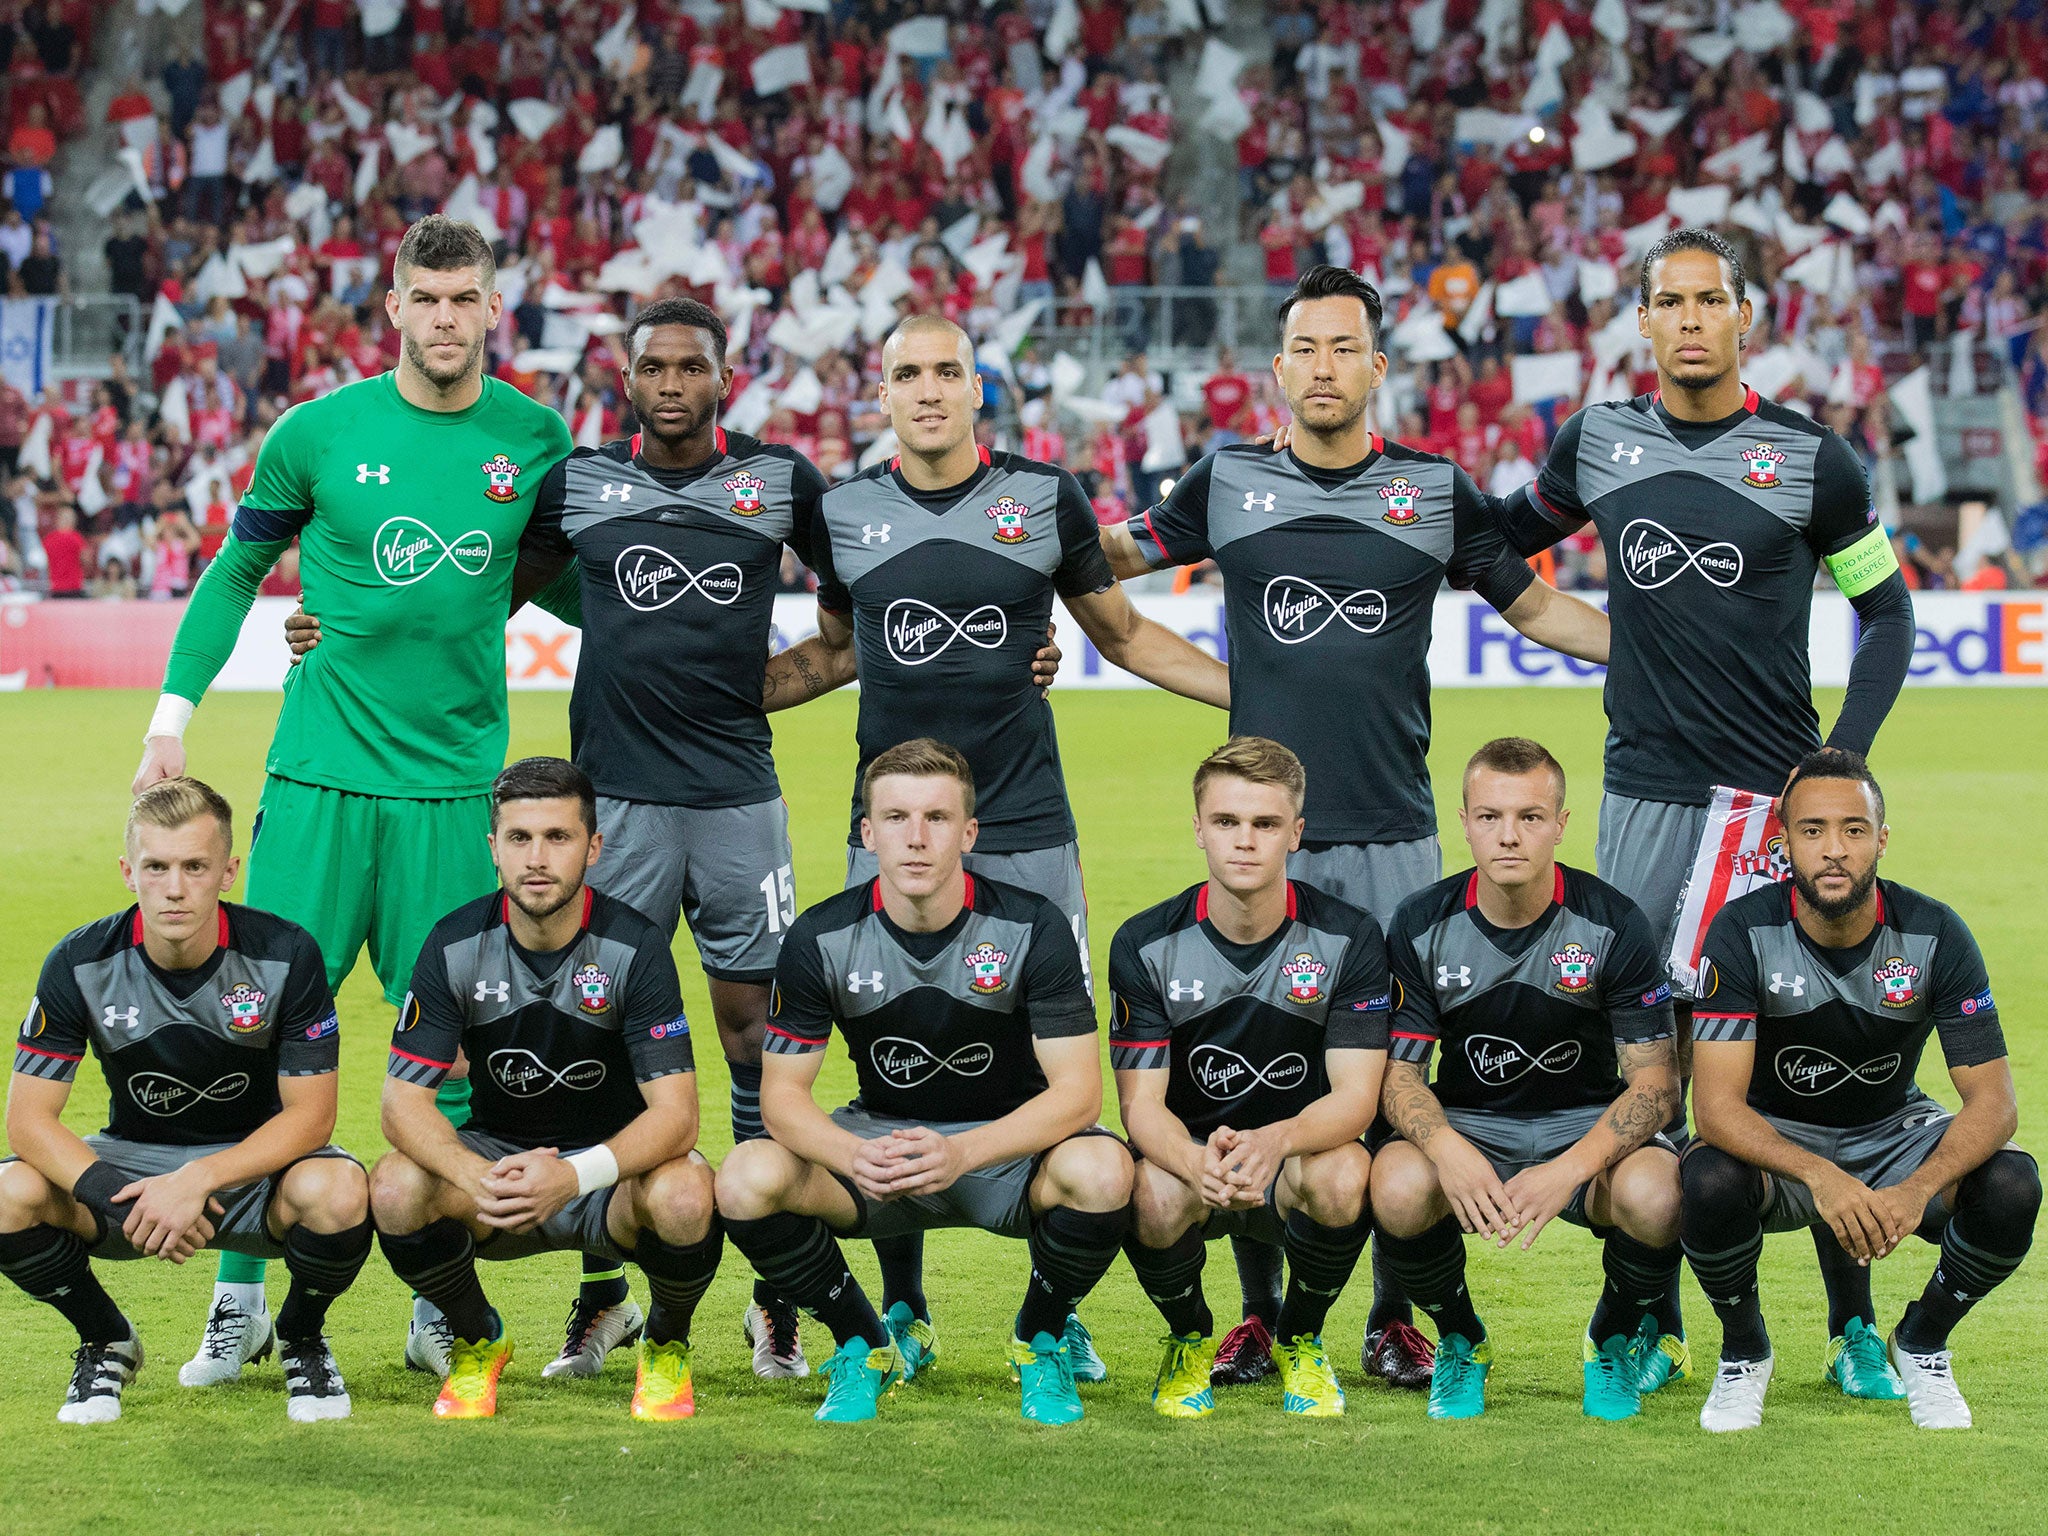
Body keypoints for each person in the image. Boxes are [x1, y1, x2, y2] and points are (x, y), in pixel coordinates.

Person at [1103, 264, 1609, 1391]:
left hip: (1390, 839)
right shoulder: (1225, 479)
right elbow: (1098, 573)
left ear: (1376, 367)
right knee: (1242, 1075)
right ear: (1275, 369)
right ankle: (1254, 1316)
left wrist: (1663, 659)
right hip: (1265, 836)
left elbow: (1533, 610)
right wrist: (1214, 692)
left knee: (1382, 1087)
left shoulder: (1432, 490)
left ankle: (1389, 1317)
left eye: (1344, 348)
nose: (1323, 367)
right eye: (1304, 348)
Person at [126, 215, 609, 1387]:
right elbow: (236, 570)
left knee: (443, 1062)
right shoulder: (317, 433)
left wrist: (706, 652)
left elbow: (579, 592)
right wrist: (170, 721)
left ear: (498, 309)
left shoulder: (537, 441)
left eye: (465, 299)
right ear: (391, 306)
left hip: (454, 798)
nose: (445, 319)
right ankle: (238, 1299)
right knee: (253, 1038)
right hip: (320, 782)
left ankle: (438, 1297)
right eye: (425, 298)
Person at [1492, 228, 1917, 1393]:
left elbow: (1887, 615)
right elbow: (1490, 542)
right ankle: (1647, 1315)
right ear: (1641, 321)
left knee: (1799, 1060)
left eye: (1707, 300)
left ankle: (1853, 1328)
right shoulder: (1597, 442)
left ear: (1745, 317)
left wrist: (1840, 760)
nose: (1687, 318)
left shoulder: (1812, 461)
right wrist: (1581, 631)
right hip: (1642, 800)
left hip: (1769, 811)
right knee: (1651, 1065)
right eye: (1666, 300)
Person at [799, 314, 1228, 1381]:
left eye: (948, 372)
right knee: (887, 1064)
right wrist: (700, 702)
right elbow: (834, 651)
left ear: (977, 389)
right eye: (907, 374)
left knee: (1045, 1056)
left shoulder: (1043, 497)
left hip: (1028, 827)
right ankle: (903, 1305)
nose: (928, 390)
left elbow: (1122, 634)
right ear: (882, 394)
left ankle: (1053, 1308)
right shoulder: (843, 512)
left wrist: (1259, 696)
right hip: (886, 829)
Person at [716, 740, 1132, 1425]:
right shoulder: (821, 937)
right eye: (898, 818)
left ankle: (1042, 1336)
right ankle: (863, 1342)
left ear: (968, 832)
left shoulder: (1033, 926)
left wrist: (964, 1154)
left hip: (1005, 1155)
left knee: (1105, 1168)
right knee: (744, 1177)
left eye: (937, 818)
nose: (917, 838)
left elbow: (1079, 1093)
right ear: (867, 832)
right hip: (880, 1150)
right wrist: (854, 1156)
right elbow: (781, 1098)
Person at [1683, 749, 2037, 1433]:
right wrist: (1821, 1175)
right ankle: (1745, 1352)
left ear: (1881, 839)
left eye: (1852, 829)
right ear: (1783, 840)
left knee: (2013, 1184)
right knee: (1705, 1180)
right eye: (1812, 830)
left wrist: (1912, 1189)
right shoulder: (1740, 932)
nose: (1833, 850)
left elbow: (1995, 1104)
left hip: (1893, 1134)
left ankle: (1923, 1341)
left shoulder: (1935, 933)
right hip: (1778, 1139)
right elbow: (1716, 1107)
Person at [0, 779, 368, 1424]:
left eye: (195, 866)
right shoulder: (80, 961)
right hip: (130, 1172)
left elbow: (312, 1116)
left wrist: (197, 1179)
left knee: (340, 1190)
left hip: (253, 1175)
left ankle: (301, 1337)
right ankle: (104, 1338)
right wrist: (128, 1190)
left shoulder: (284, 954)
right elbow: (28, 1122)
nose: (175, 887)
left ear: (227, 871)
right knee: (5, 1194)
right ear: (128, 872)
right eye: (157, 867)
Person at [371, 759, 721, 1422]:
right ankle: (479, 1339)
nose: (537, 858)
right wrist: (473, 1175)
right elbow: (401, 1103)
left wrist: (570, 1176)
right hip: (498, 1174)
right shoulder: (453, 944)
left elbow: (677, 1118)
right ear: (493, 847)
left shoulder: (635, 947)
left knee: (684, 1190)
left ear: (592, 847)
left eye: (558, 838)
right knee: (394, 1186)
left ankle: (668, 1347)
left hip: (608, 1183)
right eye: (520, 838)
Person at [1373, 739, 1684, 1422]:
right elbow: (1398, 1075)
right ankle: (1461, 1337)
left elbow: (1657, 1089)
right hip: (1472, 1123)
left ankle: (1609, 1340)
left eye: (1530, 817)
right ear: (1463, 821)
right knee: (1395, 1184)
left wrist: (1568, 1170)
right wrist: (1446, 1149)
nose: (1508, 835)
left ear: (1561, 824)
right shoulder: (1423, 922)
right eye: (1489, 817)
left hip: (1586, 1122)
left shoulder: (1612, 921)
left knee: (1661, 1193)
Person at [1111, 737, 1388, 1419]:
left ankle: (1299, 1338)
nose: (1245, 841)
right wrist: (1192, 1160)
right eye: (1227, 822)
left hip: (1298, 1155)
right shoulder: (1144, 943)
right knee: (1145, 1188)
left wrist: (1275, 1142)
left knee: (1347, 1174)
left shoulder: (1349, 938)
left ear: (1295, 834)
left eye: (1265, 825)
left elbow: (1356, 1100)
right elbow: (1140, 1106)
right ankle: (1187, 1340)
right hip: (1196, 1157)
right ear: (1199, 827)